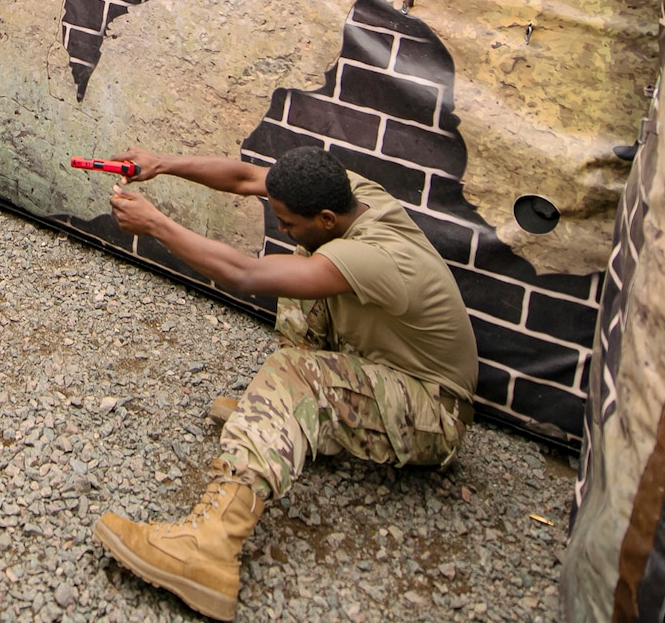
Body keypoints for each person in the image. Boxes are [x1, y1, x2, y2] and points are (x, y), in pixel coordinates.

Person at [92, 145, 477, 621]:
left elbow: (245, 273)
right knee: (302, 257)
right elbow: (245, 179)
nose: (280, 225)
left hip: (433, 415)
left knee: (294, 363)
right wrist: (163, 165)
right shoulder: (349, 194)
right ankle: (288, 421)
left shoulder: (380, 258)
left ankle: (208, 550)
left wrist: (156, 225)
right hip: (387, 373)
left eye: (289, 220)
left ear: (328, 217)